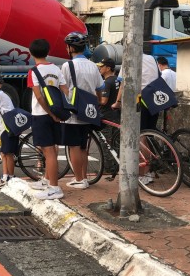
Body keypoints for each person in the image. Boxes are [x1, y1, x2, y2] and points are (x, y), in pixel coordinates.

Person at [26, 39, 69, 200]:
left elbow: (38, 96)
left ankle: (54, 188)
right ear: (48, 51)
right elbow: (65, 91)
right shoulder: (56, 69)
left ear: (31, 53)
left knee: (48, 151)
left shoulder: (33, 71)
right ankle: (46, 180)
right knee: (53, 149)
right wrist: (57, 112)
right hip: (56, 115)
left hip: (41, 115)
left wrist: (50, 113)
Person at [61, 32, 104, 190]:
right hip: (89, 110)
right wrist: (98, 100)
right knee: (83, 146)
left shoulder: (68, 65)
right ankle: (84, 178)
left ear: (71, 48)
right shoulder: (93, 65)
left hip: (74, 111)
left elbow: (63, 87)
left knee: (74, 146)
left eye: (67, 46)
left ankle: (78, 178)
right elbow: (100, 87)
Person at [111, 53, 160, 184]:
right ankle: (150, 171)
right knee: (150, 134)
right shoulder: (152, 58)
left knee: (140, 137)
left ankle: (144, 174)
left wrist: (117, 102)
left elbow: (122, 84)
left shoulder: (129, 58)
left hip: (140, 99)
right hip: (154, 98)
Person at [97, 58, 120, 172]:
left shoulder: (107, 82)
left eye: (102, 66)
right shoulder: (117, 80)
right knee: (117, 142)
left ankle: (109, 167)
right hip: (117, 115)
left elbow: (103, 101)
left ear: (108, 68)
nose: (99, 68)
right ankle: (117, 165)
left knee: (105, 142)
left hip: (106, 116)